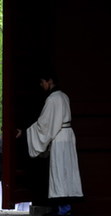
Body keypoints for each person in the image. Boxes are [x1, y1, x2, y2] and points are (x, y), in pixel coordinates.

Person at [18, 73, 83, 216]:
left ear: (50, 81)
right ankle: (63, 208)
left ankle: (62, 209)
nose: (42, 85)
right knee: (66, 174)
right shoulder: (63, 96)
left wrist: (25, 132)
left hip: (59, 138)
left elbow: (45, 124)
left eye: (42, 82)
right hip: (67, 136)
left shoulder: (53, 99)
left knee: (59, 174)